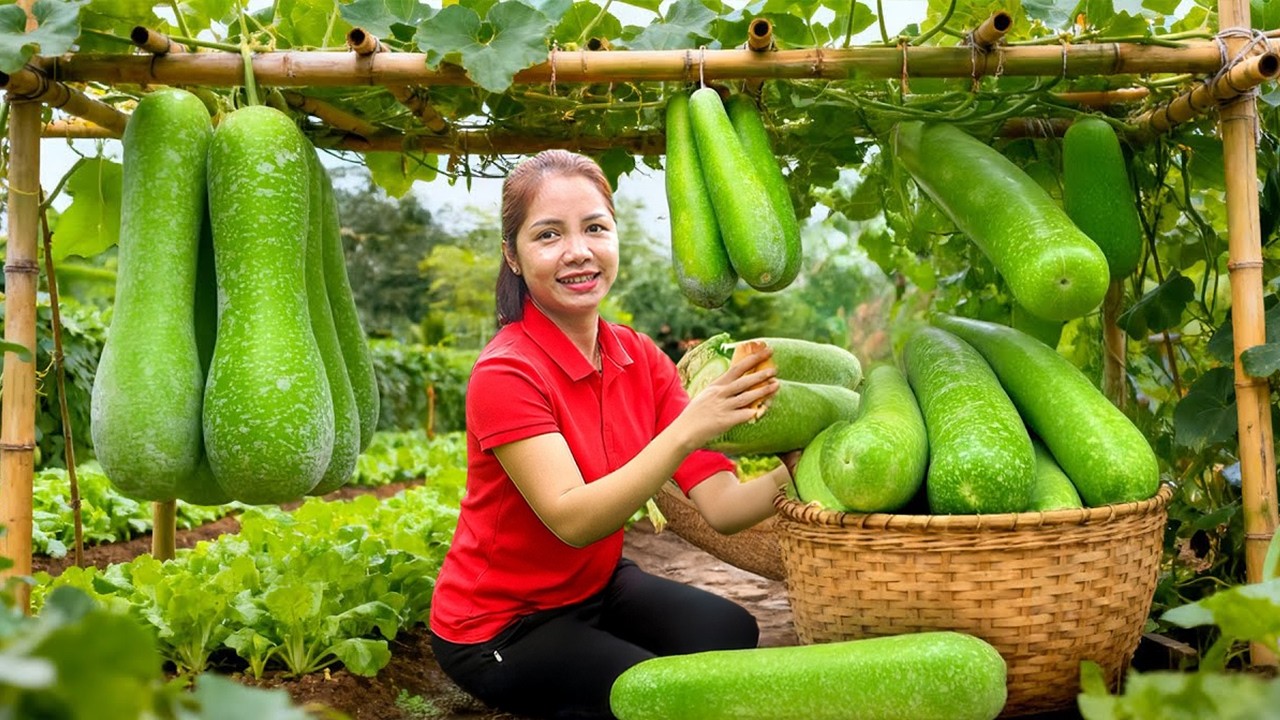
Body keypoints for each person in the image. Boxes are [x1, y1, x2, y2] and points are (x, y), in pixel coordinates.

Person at [428, 149, 799, 720]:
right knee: (653, 699)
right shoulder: (506, 372)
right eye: (548, 235)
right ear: (515, 257)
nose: (578, 252)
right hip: (499, 627)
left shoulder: (637, 355)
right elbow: (574, 520)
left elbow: (723, 507)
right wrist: (687, 427)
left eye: (595, 228)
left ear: (614, 237)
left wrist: (798, 463)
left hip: (595, 589)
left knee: (728, 631)